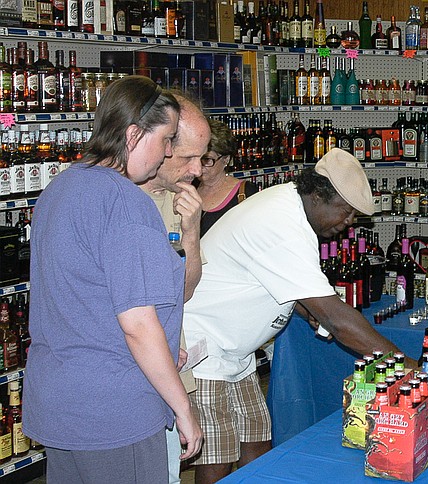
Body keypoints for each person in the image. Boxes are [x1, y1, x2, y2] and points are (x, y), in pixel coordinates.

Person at [183, 148, 405, 483]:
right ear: (317, 195)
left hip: (233, 353)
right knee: (218, 457)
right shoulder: (281, 222)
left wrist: (306, 309)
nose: (347, 224)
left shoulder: (290, 211)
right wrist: (404, 364)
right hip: (206, 349)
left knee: (257, 444)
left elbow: (280, 284)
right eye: (344, 212)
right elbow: (339, 322)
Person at [23, 75, 202, 483]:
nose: (169, 153)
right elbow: (138, 326)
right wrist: (183, 408)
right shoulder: (125, 202)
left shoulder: (59, 188)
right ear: (134, 134)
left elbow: (81, 301)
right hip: (114, 412)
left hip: (59, 403)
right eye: (167, 139)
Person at [138, 90, 210, 484]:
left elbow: (184, 291)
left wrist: (192, 233)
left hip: (168, 374)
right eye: (188, 157)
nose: (198, 170)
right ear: (161, 145)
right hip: (129, 380)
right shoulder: (116, 199)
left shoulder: (178, 199)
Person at [196, 118, 259, 237]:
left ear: (226, 160)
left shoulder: (246, 193)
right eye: (195, 158)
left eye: (207, 160)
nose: (199, 166)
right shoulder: (188, 187)